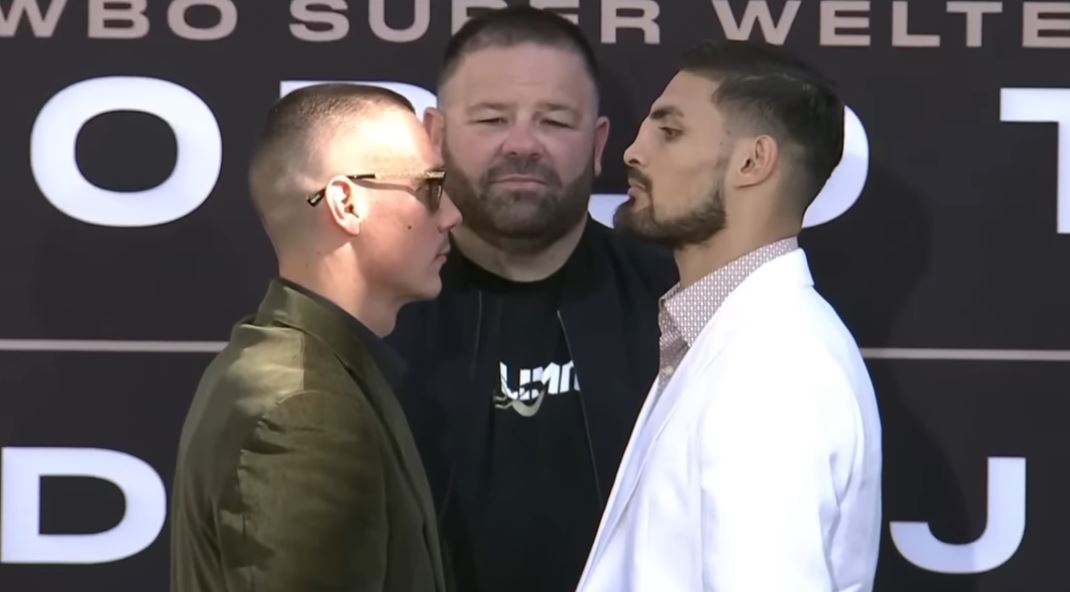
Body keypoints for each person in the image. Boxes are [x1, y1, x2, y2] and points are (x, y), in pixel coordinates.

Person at [386, 6, 677, 592]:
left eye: (554, 122)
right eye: (492, 119)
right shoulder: (376, 309)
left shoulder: (677, 300)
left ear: (598, 144)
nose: (523, 145)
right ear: (435, 138)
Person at [577, 40, 883, 591]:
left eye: (669, 132)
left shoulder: (775, 367)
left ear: (752, 161)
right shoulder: (736, 340)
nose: (632, 151)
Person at [169, 83, 461, 592]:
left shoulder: (295, 371)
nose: (453, 214)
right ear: (346, 202)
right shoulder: (303, 406)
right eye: (430, 187)